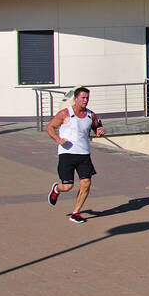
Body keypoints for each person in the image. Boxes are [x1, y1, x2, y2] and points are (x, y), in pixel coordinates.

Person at [45, 87, 106, 224]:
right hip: (67, 153)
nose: (85, 101)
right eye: (83, 98)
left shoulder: (91, 115)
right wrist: (58, 140)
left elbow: (97, 127)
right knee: (68, 186)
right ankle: (56, 188)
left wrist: (100, 130)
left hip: (84, 154)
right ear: (76, 98)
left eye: (87, 98)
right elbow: (49, 127)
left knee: (86, 183)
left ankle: (76, 213)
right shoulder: (65, 113)